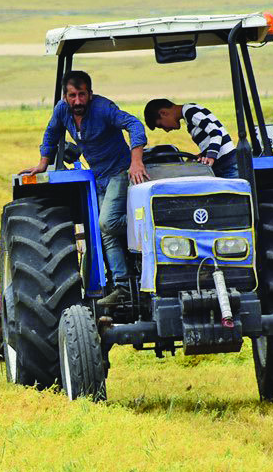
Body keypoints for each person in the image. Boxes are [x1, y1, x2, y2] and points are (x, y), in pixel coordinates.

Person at [20, 71, 147, 304]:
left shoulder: (103, 108)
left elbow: (134, 124)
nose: (77, 101)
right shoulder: (62, 110)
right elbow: (52, 132)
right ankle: (122, 286)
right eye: (72, 96)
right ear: (65, 96)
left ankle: (152, 225)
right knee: (103, 231)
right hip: (97, 177)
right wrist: (42, 164)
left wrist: (136, 161)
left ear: (90, 93)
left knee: (106, 223)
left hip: (119, 171)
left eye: (81, 95)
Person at [145, 98, 238, 178]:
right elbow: (210, 140)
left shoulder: (190, 112)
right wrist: (202, 155)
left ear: (163, 113)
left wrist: (210, 156)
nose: (166, 130)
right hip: (223, 164)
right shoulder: (189, 117)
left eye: (161, 125)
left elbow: (216, 132)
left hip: (227, 164)